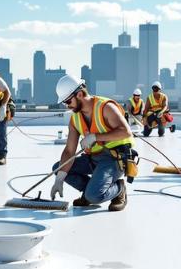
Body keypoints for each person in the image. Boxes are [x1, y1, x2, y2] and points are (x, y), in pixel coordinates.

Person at [50, 74, 134, 211]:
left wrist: (95, 137)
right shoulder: (75, 119)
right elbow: (69, 151)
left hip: (113, 159)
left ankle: (119, 188)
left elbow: (126, 132)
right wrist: (59, 178)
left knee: (94, 196)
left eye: (68, 101)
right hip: (93, 158)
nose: (67, 106)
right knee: (58, 168)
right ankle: (89, 192)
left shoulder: (105, 107)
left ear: (80, 94)